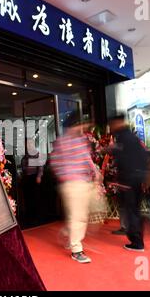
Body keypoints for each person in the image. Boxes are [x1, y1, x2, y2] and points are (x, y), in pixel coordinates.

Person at [49, 111, 101, 263]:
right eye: (82, 125)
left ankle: (68, 232)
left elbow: (87, 158)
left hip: (84, 182)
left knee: (83, 215)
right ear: (74, 125)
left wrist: (95, 172)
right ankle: (76, 250)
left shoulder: (81, 140)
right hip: (71, 184)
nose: (83, 128)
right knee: (78, 217)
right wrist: (64, 176)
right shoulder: (62, 142)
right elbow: (54, 161)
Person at [108, 114, 150, 252]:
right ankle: (137, 240)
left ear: (117, 122)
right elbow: (144, 156)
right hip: (136, 178)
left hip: (129, 180)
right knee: (134, 210)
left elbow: (125, 158)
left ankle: (137, 242)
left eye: (112, 124)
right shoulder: (131, 137)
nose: (111, 127)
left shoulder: (124, 137)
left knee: (132, 211)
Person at [20, 138, 44, 227]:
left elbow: (41, 166)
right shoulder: (25, 155)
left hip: (35, 178)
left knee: (35, 198)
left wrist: (39, 176)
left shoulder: (37, 154)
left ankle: (37, 218)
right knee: (28, 198)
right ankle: (29, 218)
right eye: (26, 144)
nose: (27, 145)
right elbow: (23, 166)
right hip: (27, 178)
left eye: (29, 144)